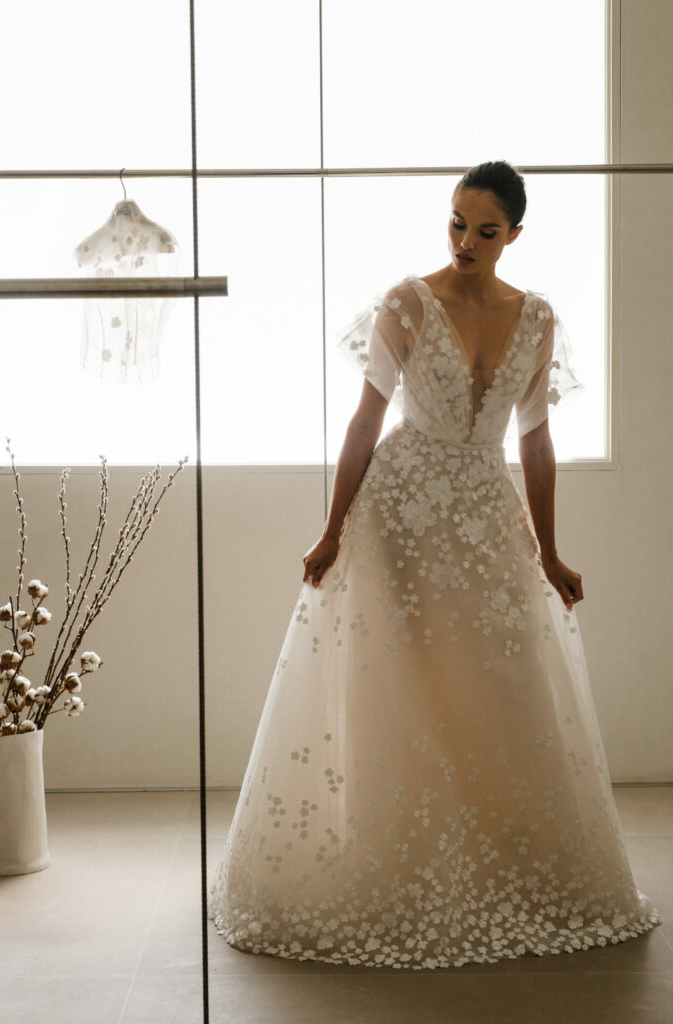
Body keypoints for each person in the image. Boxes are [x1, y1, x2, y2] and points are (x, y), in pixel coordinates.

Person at [208, 160, 661, 970]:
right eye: (455, 222)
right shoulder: (406, 302)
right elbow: (362, 423)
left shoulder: (537, 317)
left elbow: (534, 440)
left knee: (499, 682)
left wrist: (549, 551)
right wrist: (331, 529)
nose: (463, 241)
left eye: (484, 230)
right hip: (402, 512)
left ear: (514, 235)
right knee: (403, 686)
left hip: (487, 512)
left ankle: (495, 863)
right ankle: (396, 864)